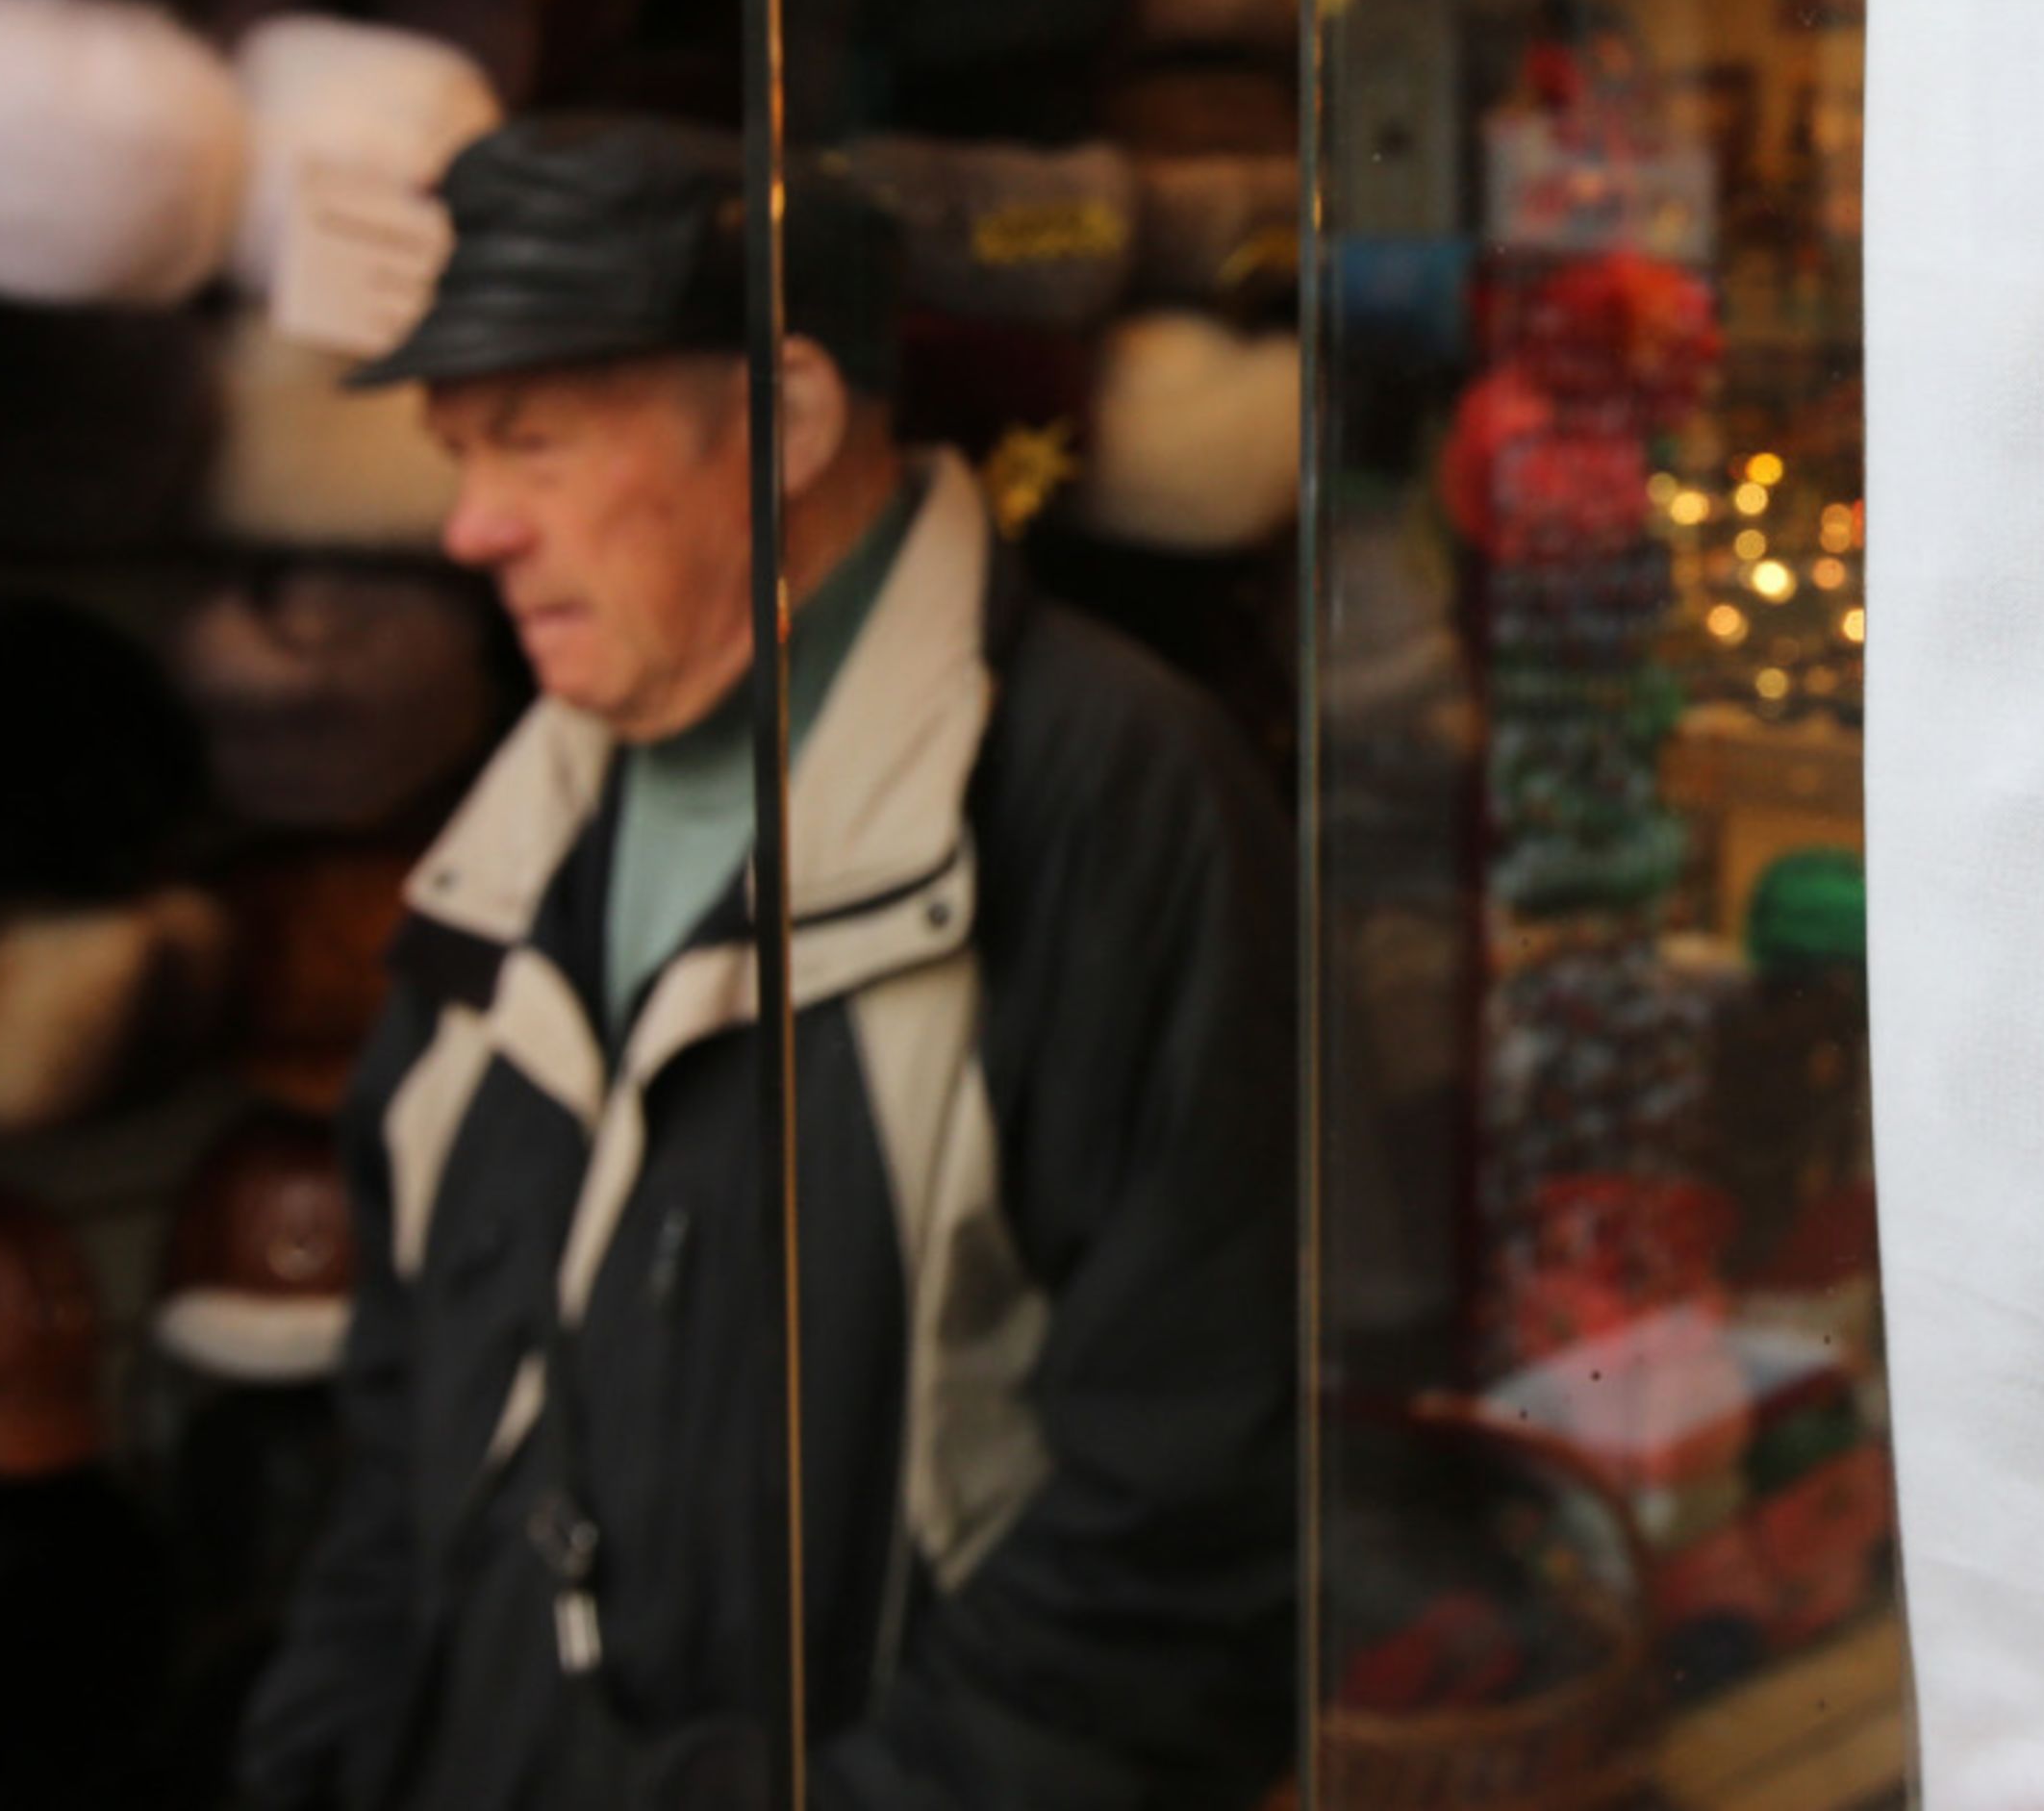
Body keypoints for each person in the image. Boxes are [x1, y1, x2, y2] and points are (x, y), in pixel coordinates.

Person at [236, 114, 1294, 1808]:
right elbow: (408, 1434)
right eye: (457, 455)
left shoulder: (1098, 799)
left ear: (787, 421)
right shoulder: (521, 824)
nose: (470, 530)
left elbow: (1188, 1525)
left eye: (532, 443)